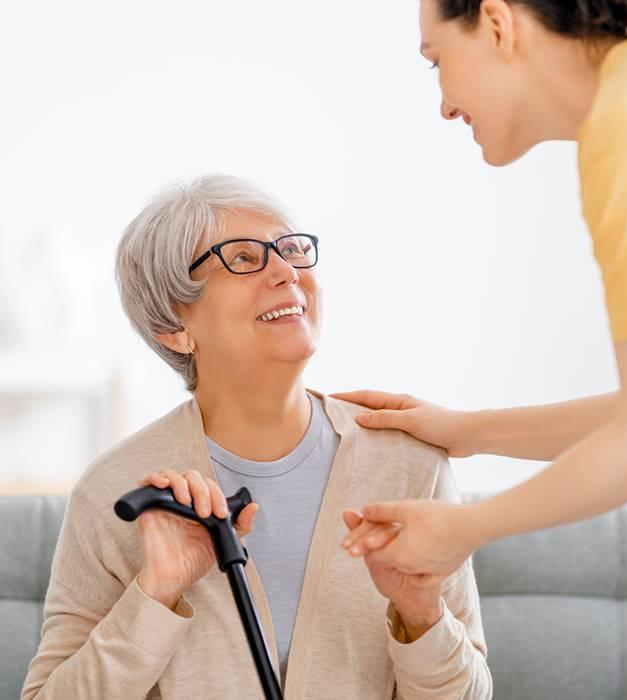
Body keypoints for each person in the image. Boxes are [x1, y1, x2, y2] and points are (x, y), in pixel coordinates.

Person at [336, 0, 627, 578]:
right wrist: (464, 431)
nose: (444, 105)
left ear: (498, 25)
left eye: (437, 61)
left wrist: (461, 530)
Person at [22, 175, 492, 699]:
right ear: (175, 325)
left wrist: (422, 619)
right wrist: (154, 594)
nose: (286, 271)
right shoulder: (117, 494)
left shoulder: (409, 463)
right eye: (242, 259)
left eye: (291, 250)